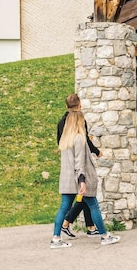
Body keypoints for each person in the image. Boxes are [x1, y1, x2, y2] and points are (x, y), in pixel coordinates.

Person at [51, 108, 120, 248]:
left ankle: (56, 238)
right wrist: (82, 181)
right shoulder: (79, 138)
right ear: (79, 122)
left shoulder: (65, 140)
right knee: (93, 206)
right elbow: (79, 162)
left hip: (67, 178)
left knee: (64, 208)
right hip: (80, 178)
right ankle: (104, 236)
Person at [56, 94, 100, 237]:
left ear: (66, 105)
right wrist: (96, 151)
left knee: (81, 197)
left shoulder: (61, 122)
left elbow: (60, 143)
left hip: (68, 165)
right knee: (86, 195)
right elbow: (84, 141)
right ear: (79, 104)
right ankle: (68, 223)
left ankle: (89, 226)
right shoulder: (80, 120)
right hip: (79, 163)